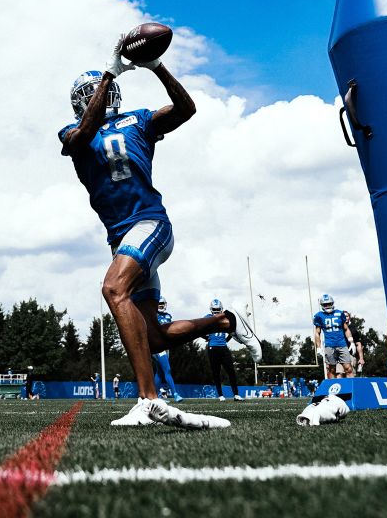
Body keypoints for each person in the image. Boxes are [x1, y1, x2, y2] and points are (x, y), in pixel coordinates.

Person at [58, 40, 259, 429]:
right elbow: (81, 136)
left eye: (96, 90)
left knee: (113, 288)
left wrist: (157, 66)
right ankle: (223, 322)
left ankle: (149, 400)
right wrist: (109, 74)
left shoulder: (139, 120)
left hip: (150, 224)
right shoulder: (73, 131)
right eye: (88, 93)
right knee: (154, 339)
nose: (92, 98)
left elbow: (186, 109)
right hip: (121, 237)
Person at [313, 294, 360, 379]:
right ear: (322, 305)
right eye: (325, 304)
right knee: (331, 369)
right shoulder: (319, 316)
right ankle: (333, 390)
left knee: (348, 368)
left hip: (342, 344)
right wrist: (319, 347)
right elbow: (317, 333)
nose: (327, 306)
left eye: (329, 303)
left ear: (332, 303)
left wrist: (351, 342)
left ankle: (352, 389)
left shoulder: (339, 313)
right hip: (329, 345)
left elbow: (346, 329)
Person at [205, 299, 243, 402]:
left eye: (218, 309)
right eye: (214, 309)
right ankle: (220, 395)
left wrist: (226, 340)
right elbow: (199, 330)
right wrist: (207, 338)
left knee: (231, 371)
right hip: (213, 348)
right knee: (216, 372)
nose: (216, 312)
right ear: (211, 309)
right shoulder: (207, 318)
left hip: (223, 347)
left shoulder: (225, 318)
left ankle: (236, 395)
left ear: (221, 309)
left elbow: (232, 331)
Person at [150, 298, 183, 402]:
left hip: (165, 346)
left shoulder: (168, 316)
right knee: (167, 369)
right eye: (159, 304)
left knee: (159, 373)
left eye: (162, 304)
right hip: (157, 346)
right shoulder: (153, 315)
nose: (160, 305)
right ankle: (175, 394)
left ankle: (154, 396)